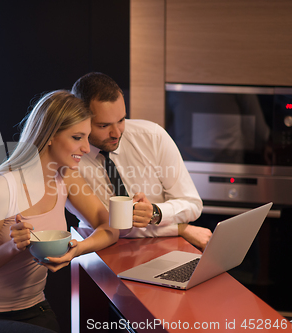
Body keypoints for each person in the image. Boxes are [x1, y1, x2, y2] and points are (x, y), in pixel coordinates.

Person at [0, 90, 119, 333]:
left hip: (34, 307)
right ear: (49, 135)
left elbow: (110, 228)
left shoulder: (66, 177)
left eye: (87, 137)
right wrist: (11, 246)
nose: (85, 147)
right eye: (77, 137)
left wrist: (77, 250)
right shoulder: (2, 187)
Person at [67, 72, 212, 250]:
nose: (116, 133)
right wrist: (180, 228)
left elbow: (193, 205)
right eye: (103, 126)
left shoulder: (153, 136)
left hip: (160, 248)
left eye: (121, 120)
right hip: (99, 252)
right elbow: (115, 229)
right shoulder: (67, 156)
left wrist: (156, 213)